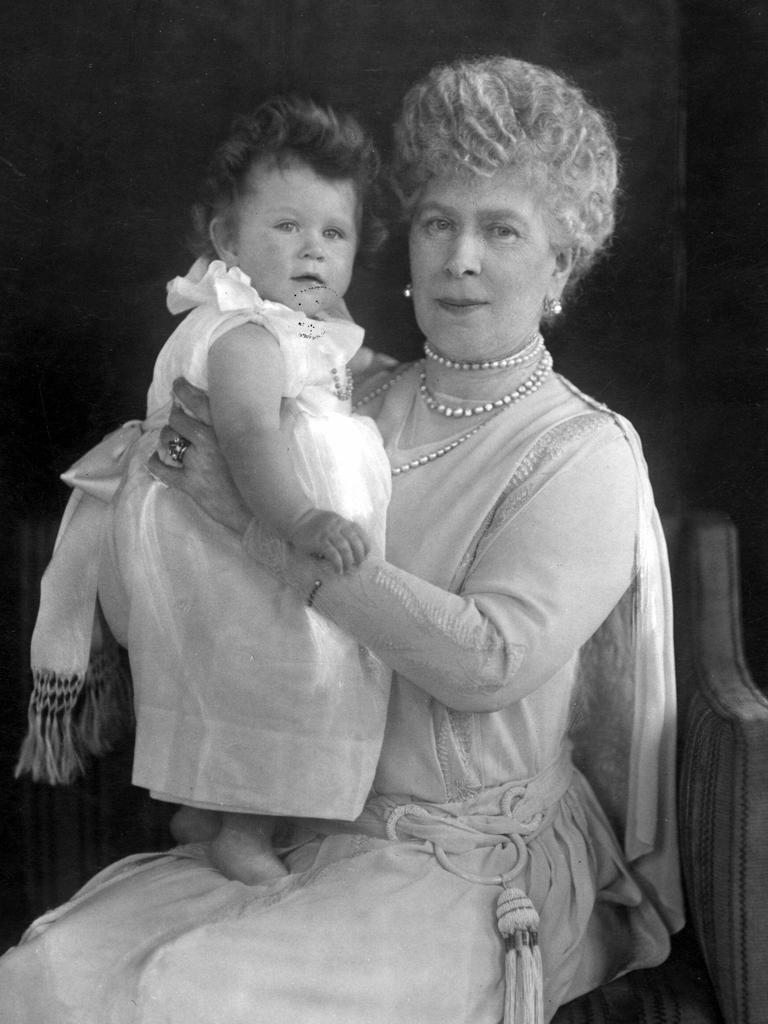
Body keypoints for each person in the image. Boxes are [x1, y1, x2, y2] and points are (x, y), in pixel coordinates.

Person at [1, 56, 684, 1024]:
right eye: (440, 224)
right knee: (52, 973)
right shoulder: (337, 393)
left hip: (473, 864)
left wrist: (250, 525)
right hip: (309, 819)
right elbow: (192, 552)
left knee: (192, 999)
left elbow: (487, 663)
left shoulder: (584, 450)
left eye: (501, 230)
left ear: (561, 263)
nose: (461, 259)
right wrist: (144, 486)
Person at [15, 95, 392, 885]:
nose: (313, 251)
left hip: (219, 535)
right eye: (286, 227)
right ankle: (245, 827)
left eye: (335, 233)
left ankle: (208, 809)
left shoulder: (287, 322)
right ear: (227, 239)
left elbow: (329, 366)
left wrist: (360, 376)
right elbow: (252, 434)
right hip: (228, 540)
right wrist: (303, 516)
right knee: (280, 670)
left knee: (238, 676)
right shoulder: (247, 332)